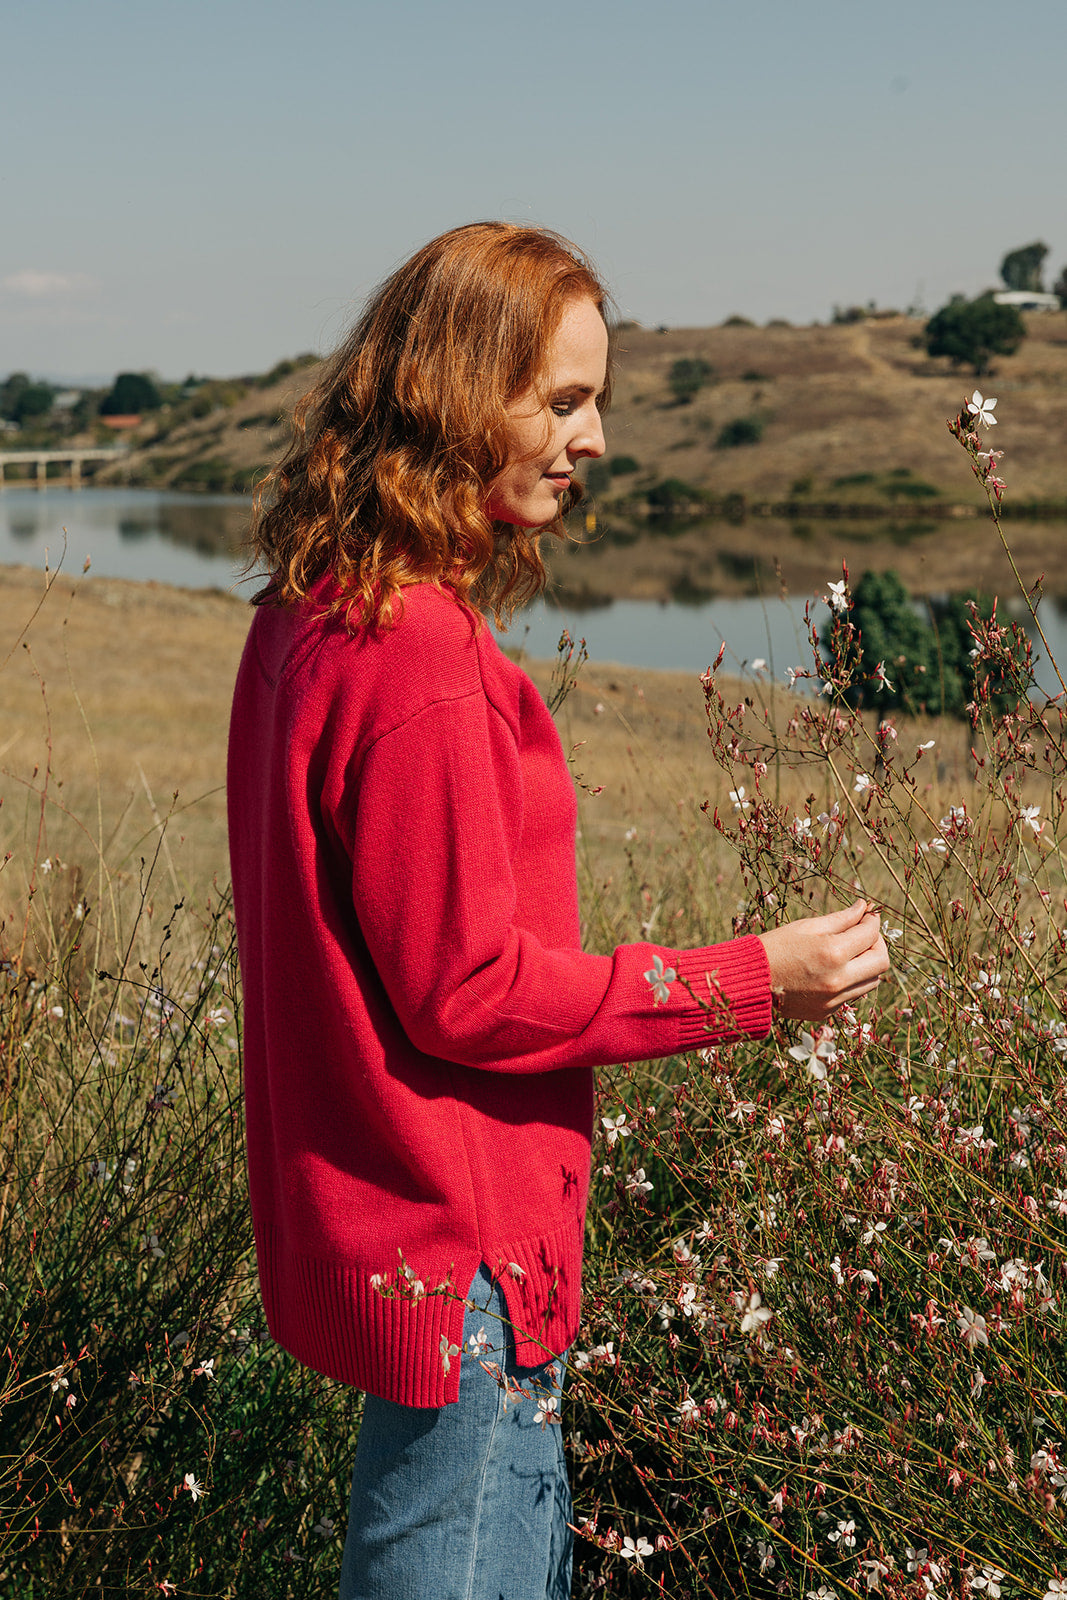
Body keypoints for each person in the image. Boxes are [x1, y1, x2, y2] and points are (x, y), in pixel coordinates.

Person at [227, 221, 889, 1600]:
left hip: (403, 1230)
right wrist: (754, 979)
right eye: (567, 398)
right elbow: (465, 988)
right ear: (462, 391)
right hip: (465, 1251)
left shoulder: (313, 612)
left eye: (601, 401)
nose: (594, 440)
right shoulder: (420, 658)